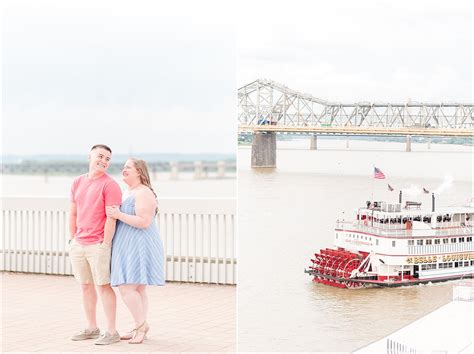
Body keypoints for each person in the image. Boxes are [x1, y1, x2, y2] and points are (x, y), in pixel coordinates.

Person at [106, 158, 165, 344]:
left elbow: (144, 221)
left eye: (128, 168)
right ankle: (140, 326)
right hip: (127, 243)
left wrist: (118, 214)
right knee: (137, 288)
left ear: (139, 171)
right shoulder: (127, 192)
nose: (124, 170)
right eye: (123, 167)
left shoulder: (144, 192)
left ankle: (140, 326)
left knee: (126, 287)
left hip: (140, 243)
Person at [69, 144, 122, 345]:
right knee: (85, 286)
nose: (104, 161)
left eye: (108, 158)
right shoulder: (77, 182)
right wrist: (72, 239)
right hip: (78, 244)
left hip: (98, 244)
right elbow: (73, 212)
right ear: (89, 157)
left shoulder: (110, 185)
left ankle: (111, 331)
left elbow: (111, 218)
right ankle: (92, 327)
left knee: (103, 286)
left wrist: (105, 244)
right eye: (100, 156)